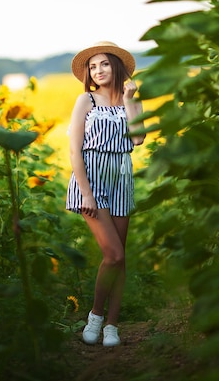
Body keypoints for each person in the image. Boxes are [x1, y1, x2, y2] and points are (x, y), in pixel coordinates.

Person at [66, 41, 145, 347]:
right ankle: (96, 316)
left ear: (117, 66)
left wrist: (129, 100)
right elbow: (74, 148)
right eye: (93, 66)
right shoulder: (85, 100)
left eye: (104, 64)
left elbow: (137, 139)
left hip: (121, 179)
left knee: (120, 258)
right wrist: (85, 193)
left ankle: (113, 325)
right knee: (114, 254)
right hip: (92, 180)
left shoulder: (130, 100)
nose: (98, 71)